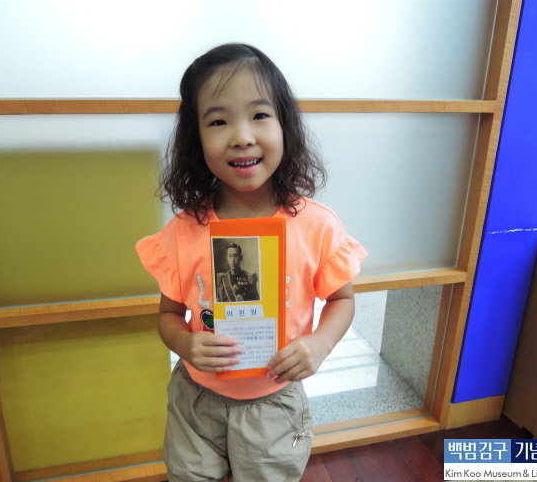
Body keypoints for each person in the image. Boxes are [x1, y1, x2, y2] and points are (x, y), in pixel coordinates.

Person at [136, 43, 367, 482]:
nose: (242, 135)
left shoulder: (317, 226)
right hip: (196, 400)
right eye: (218, 121)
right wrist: (185, 344)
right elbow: (168, 316)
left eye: (259, 114)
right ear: (195, 138)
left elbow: (342, 300)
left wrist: (320, 344)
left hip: (274, 401)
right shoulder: (185, 230)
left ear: (285, 125)